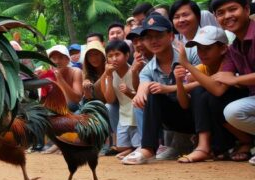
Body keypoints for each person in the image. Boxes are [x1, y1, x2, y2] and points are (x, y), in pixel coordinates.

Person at [123, 14, 196, 165]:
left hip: (199, 111)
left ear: (170, 35)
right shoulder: (148, 69)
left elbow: (206, 81)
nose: (154, 41)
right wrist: (140, 94)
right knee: (152, 94)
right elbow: (144, 85)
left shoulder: (190, 53)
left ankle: (205, 142)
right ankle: (148, 149)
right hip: (177, 118)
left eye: (159, 35)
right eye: (148, 37)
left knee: (201, 94)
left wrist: (167, 88)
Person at [174, 26, 247, 162]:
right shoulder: (203, 68)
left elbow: (218, 90)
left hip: (241, 114)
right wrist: (179, 81)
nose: (202, 53)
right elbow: (184, 104)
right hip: (225, 121)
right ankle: (206, 146)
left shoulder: (229, 60)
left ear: (223, 49)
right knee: (200, 92)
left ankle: (245, 142)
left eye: (207, 48)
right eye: (199, 48)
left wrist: (187, 64)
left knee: (210, 95)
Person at [209, 0, 255, 163]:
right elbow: (219, 86)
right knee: (232, 111)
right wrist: (186, 65)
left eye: (232, 9)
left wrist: (236, 79)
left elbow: (229, 78)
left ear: (246, 9)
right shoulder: (233, 47)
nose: (227, 16)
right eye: (221, 13)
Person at [101, 40, 140, 159]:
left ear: (127, 55)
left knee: (138, 143)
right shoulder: (108, 74)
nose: (114, 59)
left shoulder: (134, 70)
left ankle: (136, 148)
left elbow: (139, 94)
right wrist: (108, 76)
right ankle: (129, 149)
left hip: (137, 113)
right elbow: (110, 99)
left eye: (117, 54)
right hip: (123, 115)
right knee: (120, 147)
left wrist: (129, 91)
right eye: (110, 56)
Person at [43, 45, 83, 111]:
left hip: (74, 111)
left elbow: (77, 99)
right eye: (53, 58)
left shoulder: (76, 71)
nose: (57, 62)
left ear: (67, 60)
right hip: (54, 111)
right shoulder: (45, 74)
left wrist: (60, 79)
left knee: (71, 105)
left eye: (61, 57)